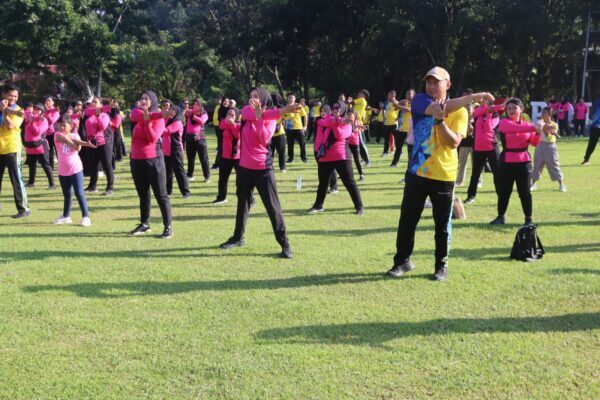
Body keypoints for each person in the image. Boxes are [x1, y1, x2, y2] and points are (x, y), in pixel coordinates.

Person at [387, 67, 493, 281]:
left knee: (442, 224)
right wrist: (473, 97)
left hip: (444, 175)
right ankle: (402, 262)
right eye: (429, 82)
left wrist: (440, 121)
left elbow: (453, 142)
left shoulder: (461, 111)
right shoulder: (418, 101)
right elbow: (438, 107)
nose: (432, 86)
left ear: (448, 84)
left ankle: (440, 265)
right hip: (417, 171)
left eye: (437, 82)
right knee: (407, 220)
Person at [219, 87, 301, 258]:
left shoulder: (270, 120)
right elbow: (248, 112)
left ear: (263, 100)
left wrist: (261, 117)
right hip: (244, 168)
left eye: (256, 97)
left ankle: (285, 244)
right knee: (243, 204)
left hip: (263, 169)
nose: (252, 99)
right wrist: (277, 111)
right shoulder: (247, 112)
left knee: (273, 207)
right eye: (250, 96)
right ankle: (237, 238)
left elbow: (263, 139)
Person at [490, 98, 542, 226]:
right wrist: (535, 127)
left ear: (521, 109)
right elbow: (513, 128)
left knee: (525, 192)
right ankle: (500, 217)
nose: (511, 110)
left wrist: (539, 132)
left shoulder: (527, 126)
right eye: (509, 108)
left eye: (514, 108)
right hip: (507, 161)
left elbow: (534, 143)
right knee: (504, 191)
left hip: (524, 162)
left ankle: (528, 219)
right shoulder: (504, 123)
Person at [129, 90, 173, 238]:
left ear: (153, 101)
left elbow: (153, 138)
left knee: (161, 194)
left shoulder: (158, 120)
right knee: (143, 194)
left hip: (153, 159)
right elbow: (135, 114)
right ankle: (145, 223)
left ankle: (168, 226)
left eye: (146, 99)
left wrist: (149, 121)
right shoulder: (137, 114)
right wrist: (155, 115)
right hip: (136, 159)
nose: (143, 101)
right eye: (141, 98)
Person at [307, 100, 364, 214]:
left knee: (349, 182)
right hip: (325, 157)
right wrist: (338, 121)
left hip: (341, 156)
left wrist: (337, 123)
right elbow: (326, 122)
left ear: (343, 109)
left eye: (338, 108)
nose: (335, 110)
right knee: (323, 183)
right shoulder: (327, 118)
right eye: (334, 108)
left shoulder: (348, 124)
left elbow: (339, 135)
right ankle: (318, 205)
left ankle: (359, 207)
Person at [54, 114, 96, 226]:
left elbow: (77, 148)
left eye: (64, 125)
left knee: (79, 193)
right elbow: (67, 141)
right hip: (62, 170)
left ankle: (86, 217)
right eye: (60, 125)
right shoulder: (57, 135)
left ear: (71, 126)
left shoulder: (76, 135)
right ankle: (66, 216)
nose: (61, 127)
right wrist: (80, 142)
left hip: (76, 169)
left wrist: (80, 142)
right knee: (67, 194)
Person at [464, 99, 504, 203]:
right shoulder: (478, 112)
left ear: (490, 103)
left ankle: (501, 196)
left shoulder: (495, 115)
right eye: (482, 99)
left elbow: (488, 128)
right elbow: (476, 112)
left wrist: (490, 113)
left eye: (485, 100)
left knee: (497, 173)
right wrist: (489, 109)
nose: (482, 101)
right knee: (475, 174)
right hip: (478, 147)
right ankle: (470, 196)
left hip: (491, 147)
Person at [0, 84, 29, 218]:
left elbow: (11, 126)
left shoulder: (19, 110)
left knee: (16, 179)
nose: (13, 98)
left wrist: (5, 112)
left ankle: (23, 209)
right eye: (10, 95)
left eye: (15, 96)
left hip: (12, 148)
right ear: (4, 94)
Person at [83, 97, 115, 195]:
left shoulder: (105, 115)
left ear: (101, 105)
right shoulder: (88, 112)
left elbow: (103, 126)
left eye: (95, 102)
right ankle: (92, 186)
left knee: (107, 165)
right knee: (93, 165)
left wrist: (98, 115)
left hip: (103, 143)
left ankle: (110, 187)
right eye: (92, 102)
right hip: (91, 143)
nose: (93, 103)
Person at [531, 107, 566, 192]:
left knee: (554, 165)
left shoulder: (554, 124)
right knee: (537, 165)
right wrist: (540, 127)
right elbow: (536, 133)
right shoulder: (539, 122)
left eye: (544, 113)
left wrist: (544, 128)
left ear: (549, 114)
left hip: (550, 146)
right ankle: (533, 184)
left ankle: (562, 184)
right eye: (542, 113)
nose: (542, 115)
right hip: (539, 145)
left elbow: (548, 136)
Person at [213, 106, 241, 204]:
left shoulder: (239, 125)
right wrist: (231, 125)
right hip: (225, 156)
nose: (229, 116)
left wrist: (233, 125)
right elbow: (221, 125)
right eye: (228, 114)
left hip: (238, 156)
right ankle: (221, 197)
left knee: (241, 180)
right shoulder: (224, 122)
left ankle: (249, 200)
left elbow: (238, 135)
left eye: (232, 115)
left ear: (236, 116)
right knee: (223, 179)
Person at [23, 103, 55, 189]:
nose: (36, 110)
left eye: (38, 109)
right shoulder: (29, 119)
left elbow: (37, 132)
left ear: (42, 112)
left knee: (45, 165)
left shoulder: (44, 120)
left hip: (40, 146)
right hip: (30, 147)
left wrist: (32, 123)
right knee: (31, 164)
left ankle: (52, 184)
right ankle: (31, 182)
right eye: (35, 108)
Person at [162, 105, 190, 198]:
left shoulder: (178, 123)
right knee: (167, 171)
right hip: (167, 150)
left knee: (179, 172)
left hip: (176, 150)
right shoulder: (168, 120)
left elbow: (165, 131)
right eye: (170, 110)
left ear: (177, 112)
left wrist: (156, 125)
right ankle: (168, 191)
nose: (171, 112)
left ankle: (186, 192)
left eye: (173, 111)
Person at [184, 99, 211, 182]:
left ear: (201, 106)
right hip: (189, 137)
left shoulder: (204, 113)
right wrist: (190, 113)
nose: (195, 105)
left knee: (203, 158)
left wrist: (193, 115)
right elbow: (185, 114)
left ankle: (207, 176)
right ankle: (190, 175)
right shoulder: (189, 112)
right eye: (194, 104)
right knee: (190, 158)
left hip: (200, 138)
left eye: (197, 104)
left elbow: (201, 121)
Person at [390, 89, 415, 167]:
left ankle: (410, 166)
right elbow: (395, 108)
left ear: (413, 95)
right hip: (402, 128)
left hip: (410, 130)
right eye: (407, 93)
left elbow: (407, 110)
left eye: (410, 94)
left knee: (410, 150)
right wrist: (400, 102)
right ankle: (394, 163)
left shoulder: (415, 103)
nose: (408, 95)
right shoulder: (405, 102)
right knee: (398, 147)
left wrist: (397, 105)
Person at [382, 90, 409, 158]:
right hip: (387, 123)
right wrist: (384, 118)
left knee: (397, 139)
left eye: (389, 95)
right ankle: (385, 152)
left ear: (393, 95)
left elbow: (402, 111)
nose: (388, 96)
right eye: (388, 95)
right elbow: (385, 110)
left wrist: (398, 118)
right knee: (386, 139)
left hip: (394, 124)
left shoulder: (397, 102)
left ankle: (400, 151)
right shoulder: (388, 103)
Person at [282, 94, 308, 163]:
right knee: (290, 145)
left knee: (302, 144)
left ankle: (304, 158)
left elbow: (305, 116)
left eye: (292, 97)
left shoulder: (298, 106)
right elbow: (281, 118)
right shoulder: (285, 108)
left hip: (299, 128)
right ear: (288, 99)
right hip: (290, 129)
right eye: (289, 97)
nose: (290, 98)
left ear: (295, 99)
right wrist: (284, 125)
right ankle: (290, 159)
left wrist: (305, 126)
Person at [455, 102, 475, 186]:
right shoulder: (461, 119)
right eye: (466, 109)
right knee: (462, 164)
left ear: (473, 110)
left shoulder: (476, 119)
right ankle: (459, 181)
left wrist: (471, 128)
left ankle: (478, 181)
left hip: (474, 144)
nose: (467, 111)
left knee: (476, 164)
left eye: (469, 109)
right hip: (464, 144)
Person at [269, 93, 287, 173]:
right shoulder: (268, 107)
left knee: (281, 151)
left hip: (279, 132)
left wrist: (281, 121)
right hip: (270, 133)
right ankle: (270, 166)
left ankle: (282, 167)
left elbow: (288, 115)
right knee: (270, 151)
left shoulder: (281, 108)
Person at [43, 96, 60, 170]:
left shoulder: (55, 111)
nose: (47, 102)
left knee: (58, 150)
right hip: (46, 134)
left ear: (53, 102)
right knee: (49, 151)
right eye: (46, 100)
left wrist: (48, 112)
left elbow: (51, 121)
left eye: (49, 100)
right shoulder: (43, 111)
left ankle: (61, 166)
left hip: (54, 133)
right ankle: (50, 167)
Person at [347, 111, 365, 181]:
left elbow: (357, 127)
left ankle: (361, 174)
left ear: (354, 116)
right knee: (346, 160)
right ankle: (345, 174)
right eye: (348, 115)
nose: (349, 116)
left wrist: (363, 127)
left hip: (355, 144)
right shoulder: (346, 122)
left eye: (351, 114)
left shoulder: (357, 122)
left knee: (357, 160)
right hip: (347, 144)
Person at [211, 95, 224, 170]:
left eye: (217, 99)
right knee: (219, 142)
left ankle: (217, 164)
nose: (215, 100)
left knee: (220, 145)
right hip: (216, 125)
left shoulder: (221, 107)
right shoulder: (217, 106)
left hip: (219, 126)